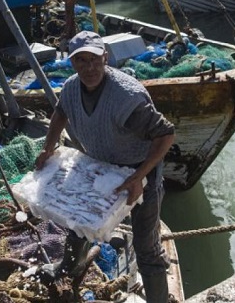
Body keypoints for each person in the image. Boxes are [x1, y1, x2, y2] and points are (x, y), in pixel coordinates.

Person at [35, 31, 176, 303]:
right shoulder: (71, 88)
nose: (89, 68)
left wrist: (139, 176)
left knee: (147, 247)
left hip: (139, 173)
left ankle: (158, 299)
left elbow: (166, 134)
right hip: (100, 166)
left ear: (105, 58)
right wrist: (48, 148)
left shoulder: (126, 97)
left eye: (95, 60)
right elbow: (61, 113)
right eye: (81, 61)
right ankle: (71, 266)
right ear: (72, 63)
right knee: (79, 221)